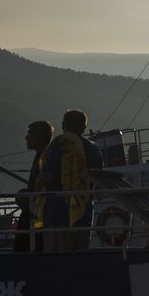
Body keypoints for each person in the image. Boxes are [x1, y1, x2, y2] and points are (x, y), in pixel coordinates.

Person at [37, 108, 103, 251]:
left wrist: (35, 188)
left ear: (64, 124)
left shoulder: (60, 144)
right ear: (84, 127)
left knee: (57, 256)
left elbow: (46, 177)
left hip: (58, 213)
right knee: (80, 253)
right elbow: (99, 179)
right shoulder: (93, 148)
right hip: (84, 213)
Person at [15, 119, 53, 251]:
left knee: (32, 235)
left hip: (39, 215)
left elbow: (43, 186)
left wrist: (26, 196)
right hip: (36, 213)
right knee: (28, 233)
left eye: (29, 133)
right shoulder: (42, 154)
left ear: (39, 136)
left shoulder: (46, 156)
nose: (26, 137)